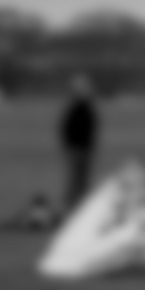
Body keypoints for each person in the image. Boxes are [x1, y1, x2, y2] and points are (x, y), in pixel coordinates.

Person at [57, 74, 99, 213]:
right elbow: (68, 129)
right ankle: (72, 205)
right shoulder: (79, 109)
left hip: (83, 149)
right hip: (78, 149)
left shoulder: (83, 108)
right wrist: (70, 146)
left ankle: (79, 206)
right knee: (76, 180)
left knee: (81, 180)